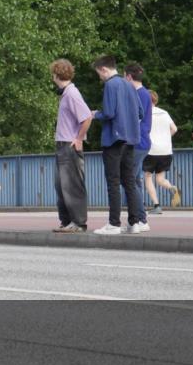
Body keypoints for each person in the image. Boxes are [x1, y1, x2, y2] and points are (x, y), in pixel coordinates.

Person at [90, 56, 145, 235]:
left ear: (104, 69)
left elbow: (109, 113)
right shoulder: (129, 84)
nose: (100, 78)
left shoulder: (110, 85)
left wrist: (94, 114)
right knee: (129, 181)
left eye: (99, 74)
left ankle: (114, 223)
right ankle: (134, 222)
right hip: (130, 140)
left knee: (113, 182)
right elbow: (140, 112)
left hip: (113, 140)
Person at [50, 59, 92, 233]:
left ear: (56, 75)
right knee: (60, 185)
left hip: (69, 145)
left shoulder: (72, 94)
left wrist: (79, 138)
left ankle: (78, 222)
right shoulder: (66, 93)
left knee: (72, 185)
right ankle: (66, 220)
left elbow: (87, 117)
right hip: (62, 145)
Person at [124, 64, 153, 227]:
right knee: (135, 181)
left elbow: (135, 118)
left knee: (129, 181)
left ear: (128, 77)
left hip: (137, 142)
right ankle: (141, 218)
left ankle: (140, 219)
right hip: (142, 141)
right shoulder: (145, 93)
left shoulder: (138, 94)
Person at [144, 91, 181, 215]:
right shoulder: (165, 113)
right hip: (166, 150)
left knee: (148, 177)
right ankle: (172, 188)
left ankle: (157, 205)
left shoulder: (144, 113)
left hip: (151, 150)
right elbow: (175, 129)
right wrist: (166, 138)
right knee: (160, 179)